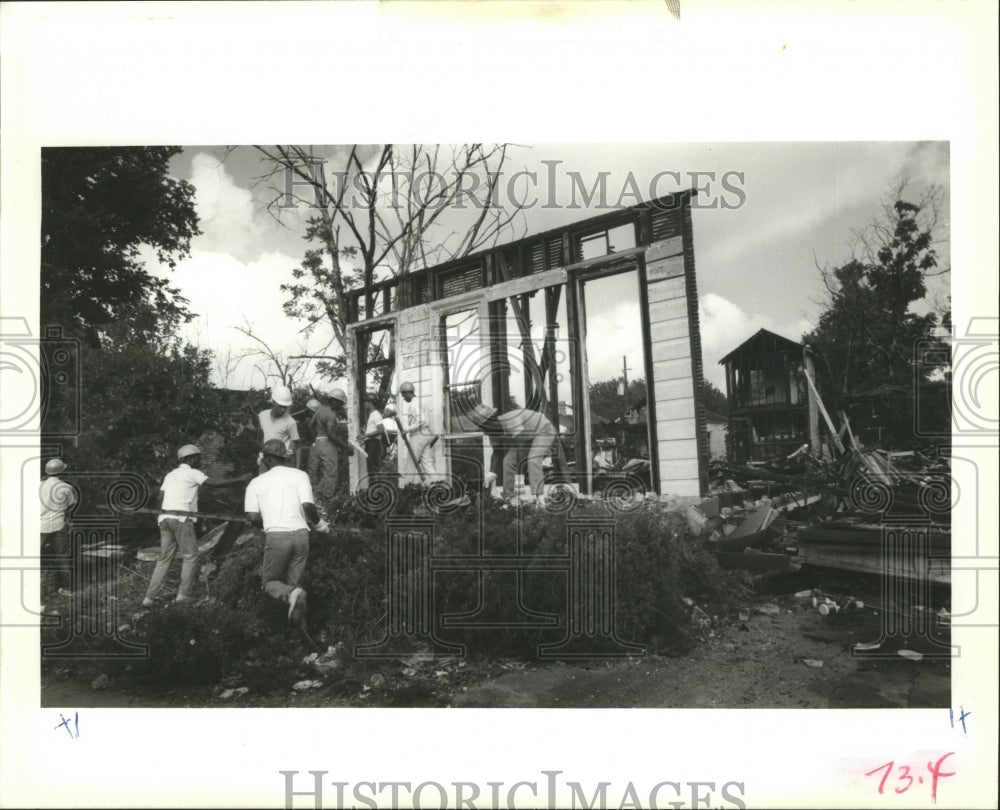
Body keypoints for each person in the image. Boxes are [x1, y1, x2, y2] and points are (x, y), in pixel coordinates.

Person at [142, 444, 250, 607]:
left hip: (164, 517)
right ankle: (183, 596)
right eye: (198, 457)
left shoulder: (170, 475)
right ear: (189, 459)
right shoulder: (192, 473)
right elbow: (213, 483)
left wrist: (162, 517)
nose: (200, 460)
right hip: (181, 519)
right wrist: (240, 479)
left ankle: (149, 598)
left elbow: (160, 498)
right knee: (191, 556)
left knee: (164, 558)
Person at [245, 439, 329, 623]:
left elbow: (252, 517)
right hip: (301, 535)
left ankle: (291, 596)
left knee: (269, 583)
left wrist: (266, 526)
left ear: (266, 459)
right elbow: (307, 505)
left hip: (277, 536)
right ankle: (298, 625)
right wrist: (320, 525)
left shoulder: (256, 483)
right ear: (283, 457)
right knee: (296, 584)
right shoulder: (300, 475)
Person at [469, 403, 557, 500]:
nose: (485, 430)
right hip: (524, 438)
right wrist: (491, 474)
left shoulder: (510, 421)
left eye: (485, 426)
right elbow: (497, 452)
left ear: (493, 419)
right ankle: (509, 497)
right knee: (507, 462)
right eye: (482, 428)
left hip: (543, 430)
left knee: (533, 460)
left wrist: (519, 477)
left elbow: (521, 448)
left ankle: (540, 498)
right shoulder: (491, 431)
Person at [307, 387, 354, 504]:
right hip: (327, 445)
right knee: (330, 475)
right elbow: (330, 433)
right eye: (341, 402)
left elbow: (309, 425)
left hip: (316, 444)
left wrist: (315, 439)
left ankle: (313, 498)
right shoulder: (332, 415)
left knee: (313, 473)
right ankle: (325, 501)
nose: (341, 405)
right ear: (335, 401)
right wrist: (345, 446)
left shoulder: (320, 410)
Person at [40, 458, 77, 600]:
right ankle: (67, 588)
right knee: (62, 556)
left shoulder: (38, 486)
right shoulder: (66, 487)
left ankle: (42, 588)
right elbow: (70, 505)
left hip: (40, 526)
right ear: (61, 471)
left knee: (38, 556)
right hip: (58, 525)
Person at [395, 381, 437, 483]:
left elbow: (422, 420)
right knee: (427, 463)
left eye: (403, 395)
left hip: (418, 436)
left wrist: (407, 430)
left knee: (411, 463)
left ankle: (406, 487)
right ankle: (437, 484)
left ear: (407, 393)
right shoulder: (422, 402)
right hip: (426, 435)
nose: (404, 398)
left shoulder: (413, 405)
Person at [257, 385, 300, 474]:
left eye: (285, 406)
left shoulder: (290, 422)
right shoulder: (262, 415)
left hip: (283, 463)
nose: (283, 409)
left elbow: (298, 447)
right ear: (273, 402)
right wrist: (261, 454)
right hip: (266, 461)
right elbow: (261, 435)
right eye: (281, 406)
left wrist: (297, 470)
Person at [361, 393, 385, 474]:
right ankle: (374, 486)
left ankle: (375, 486)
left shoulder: (376, 414)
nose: (364, 404)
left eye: (365, 401)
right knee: (371, 468)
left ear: (370, 402)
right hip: (371, 443)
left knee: (373, 468)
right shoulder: (371, 415)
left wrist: (365, 435)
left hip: (373, 444)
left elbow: (381, 430)